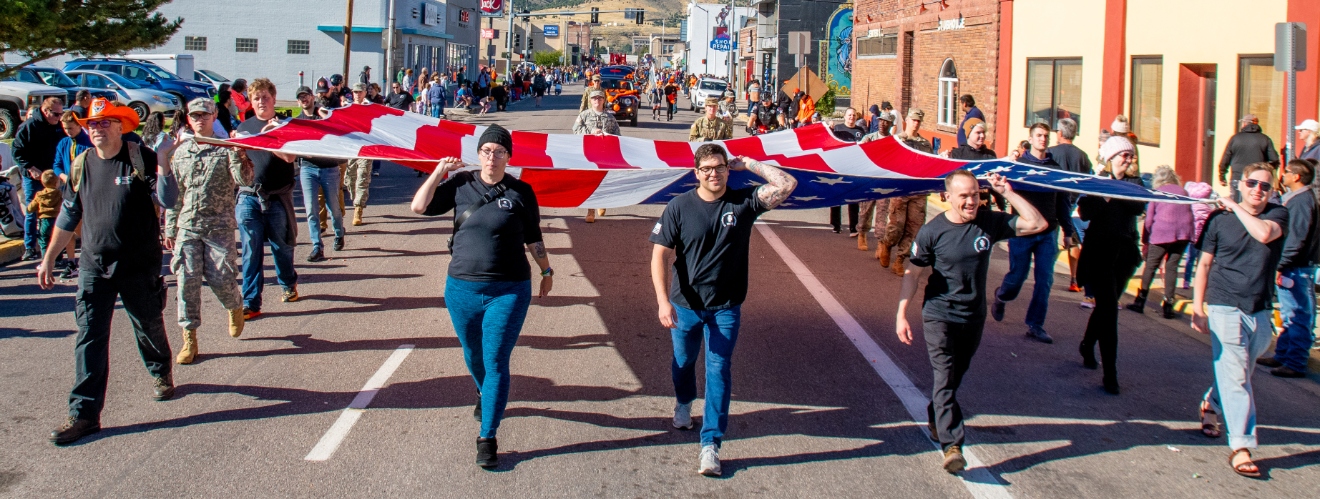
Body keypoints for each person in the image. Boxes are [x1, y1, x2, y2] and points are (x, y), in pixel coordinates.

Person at [649, 143, 798, 477]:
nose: (713, 174)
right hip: (685, 305)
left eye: (719, 167)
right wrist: (662, 301)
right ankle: (684, 402)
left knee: (718, 369)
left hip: (726, 306)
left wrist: (750, 164)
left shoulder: (744, 203)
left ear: (727, 170)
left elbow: (786, 185)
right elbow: (660, 255)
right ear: (696, 172)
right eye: (706, 169)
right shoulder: (678, 207)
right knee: (683, 363)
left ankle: (710, 444)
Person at [37, 98, 179, 445]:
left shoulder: (139, 157)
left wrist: (163, 160)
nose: (97, 129)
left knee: (147, 323)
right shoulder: (81, 163)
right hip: (93, 267)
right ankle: (84, 414)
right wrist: (49, 257)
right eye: (92, 124)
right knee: (89, 336)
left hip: (137, 265)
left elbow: (169, 199)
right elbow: (70, 215)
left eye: (104, 123)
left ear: (120, 126)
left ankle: (160, 370)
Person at [410, 124, 551, 468]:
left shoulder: (521, 191)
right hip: (462, 288)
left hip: (509, 289)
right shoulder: (460, 184)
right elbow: (419, 206)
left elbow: (533, 236)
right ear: (478, 154)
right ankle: (483, 391)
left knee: (496, 360)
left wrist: (546, 270)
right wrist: (439, 171)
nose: (492, 157)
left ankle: (488, 435)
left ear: (509, 156)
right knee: (473, 355)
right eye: (486, 151)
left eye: (499, 151)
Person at [895, 169, 1046, 473]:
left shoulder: (988, 222)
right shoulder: (932, 231)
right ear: (946, 197)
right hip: (939, 314)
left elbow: (1037, 223)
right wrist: (901, 313)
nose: (971, 201)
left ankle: (937, 413)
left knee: (953, 378)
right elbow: (913, 271)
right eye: (963, 195)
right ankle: (953, 446)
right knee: (944, 376)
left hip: (973, 316)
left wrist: (1008, 193)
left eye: (975, 194)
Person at [1190, 162, 1288, 480]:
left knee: (1243, 370)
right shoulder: (1219, 220)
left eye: (1265, 186)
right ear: (1240, 184)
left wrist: (1232, 204)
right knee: (1237, 377)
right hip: (1224, 304)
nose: (1258, 190)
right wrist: (1197, 307)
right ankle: (1241, 446)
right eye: (1252, 183)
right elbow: (1204, 265)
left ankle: (1211, 402)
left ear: (1272, 191)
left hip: (1259, 308)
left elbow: (1262, 234)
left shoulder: (1277, 216)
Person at [164, 98, 253, 364]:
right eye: (195, 116)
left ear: (214, 116)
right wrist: (170, 227)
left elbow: (245, 181)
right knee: (186, 281)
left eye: (204, 114)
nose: (199, 119)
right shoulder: (180, 152)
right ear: (188, 119)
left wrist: (238, 153)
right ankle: (189, 339)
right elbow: (175, 194)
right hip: (188, 226)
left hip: (218, 226)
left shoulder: (225, 149)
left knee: (222, 277)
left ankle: (235, 305)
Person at [991, 122, 1072, 344]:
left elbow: (1063, 201)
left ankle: (1035, 325)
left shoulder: (1055, 168)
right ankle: (1002, 296)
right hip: (1023, 231)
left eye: (1046, 136)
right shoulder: (1019, 165)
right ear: (1031, 137)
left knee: (1045, 280)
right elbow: (1003, 189)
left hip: (1049, 232)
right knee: (1018, 276)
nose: (1042, 139)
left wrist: (1068, 230)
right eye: (1038, 135)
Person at [233, 78, 300, 320]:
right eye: (257, 98)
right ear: (251, 101)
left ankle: (288, 282)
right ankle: (251, 301)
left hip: (277, 197)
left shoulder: (285, 125)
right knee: (251, 251)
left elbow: (290, 158)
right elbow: (238, 161)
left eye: (266, 97)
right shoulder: (244, 127)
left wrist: (273, 135)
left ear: (273, 98)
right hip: (249, 197)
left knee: (281, 247)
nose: (261, 101)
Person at [1256, 159, 1319, 378]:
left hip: (1296, 268)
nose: (1282, 175)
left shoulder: (1301, 201)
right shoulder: (1296, 199)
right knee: (1287, 313)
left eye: (1287, 172)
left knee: (1298, 315)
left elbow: (1296, 238)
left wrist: (1281, 265)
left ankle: (1295, 361)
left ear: (1297, 177)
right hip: (1294, 267)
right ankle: (1282, 354)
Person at [1128, 165, 1194, 318]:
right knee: (1172, 267)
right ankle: (1168, 305)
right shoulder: (1183, 192)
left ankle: (1140, 300)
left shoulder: (1158, 193)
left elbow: (1149, 220)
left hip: (1163, 231)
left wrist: (1146, 241)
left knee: (1151, 266)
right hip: (1184, 233)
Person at [877, 109, 933, 275]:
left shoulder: (925, 144)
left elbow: (930, 165)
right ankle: (887, 244)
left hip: (919, 191)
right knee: (897, 226)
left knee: (914, 228)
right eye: (913, 120)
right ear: (907, 120)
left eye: (918, 121)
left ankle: (900, 259)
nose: (916, 123)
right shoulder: (897, 140)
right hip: (901, 189)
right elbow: (886, 160)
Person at [294, 85, 347, 262]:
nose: (304, 100)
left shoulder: (323, 114)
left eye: (306, 96)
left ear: (312, 97)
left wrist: (323, 113)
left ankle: (339, 233)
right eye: (300, 97)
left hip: (329, 167)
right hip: (308, 168)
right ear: (298, 101)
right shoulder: (298, 120)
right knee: (311, 209)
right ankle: (317, 246)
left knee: (334, 207)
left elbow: (337, 128)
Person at [12, 96, 64, 261]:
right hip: (33, 176)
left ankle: (54, 247)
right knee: (32, 210)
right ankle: (29, 247)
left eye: (61, 114)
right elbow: (17, 151)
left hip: (52, 176)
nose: (59, 118)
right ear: (45, 111)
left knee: (54, 212)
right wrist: (29, 167)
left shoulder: (58, 127)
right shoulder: (29, 126)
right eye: (56, 114)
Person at [1049, 118, 1093, 293]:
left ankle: (1046, 272)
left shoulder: (1051, 153)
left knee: (1051, 239)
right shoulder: (1083, 156)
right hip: (1073, 204)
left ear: (1059, 133)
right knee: (1073, 242)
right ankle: (1074, 279)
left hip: (1053, 203)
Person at [573, 89, 620, 223]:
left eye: (599, 98)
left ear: (603, 100)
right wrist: (591, 131)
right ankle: (590, 210)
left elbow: (617, 135)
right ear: (590, 101)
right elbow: (575, 130)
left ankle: (602, 202)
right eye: (594, 99)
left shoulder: (610, 117)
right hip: (588, 154)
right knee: (590, 181)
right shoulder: (584, 115)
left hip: (605, 155)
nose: (597, 101)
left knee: (604, 180)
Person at [828, 107, 869, 245]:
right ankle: (836, 225)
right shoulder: (838, 129)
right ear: (845, 117)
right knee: (837, 196)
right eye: (849, 115)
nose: (851, 117)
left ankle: (853, 227)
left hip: (854, 169)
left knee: (853, 198)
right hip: (839, 167)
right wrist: (829, 128)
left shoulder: (860, 131)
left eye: (854, 115)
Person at [1218, 115, 1279, 202]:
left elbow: (1226, 158)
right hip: (1257, 180)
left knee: (1236, 206)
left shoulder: (1235, 138)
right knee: (1255, 204)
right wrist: (1267, 171)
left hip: (1237, 177)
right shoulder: (1265, 139)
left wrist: (1222, 176)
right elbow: (1274, 159)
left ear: (1244, 124)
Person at [345, 83, 375, 226]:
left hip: (366, 148)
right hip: (351, 147)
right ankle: (355, 199)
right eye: (355, 92)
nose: (357, 94)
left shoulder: (371, 108)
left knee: (362, 177)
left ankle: (358, 209)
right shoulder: (347, 108)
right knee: (350, 178)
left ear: (365, 93)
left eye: (360, 92)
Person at [26, 170, 60, 262]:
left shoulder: (39, 195)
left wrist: (29, 209)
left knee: (44, 241)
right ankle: (58, 259)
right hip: (57, 219)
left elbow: (30, 208)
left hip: (44, 220)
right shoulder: (59, 193)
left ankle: (46, 260)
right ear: (56, 182)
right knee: (57, 240)